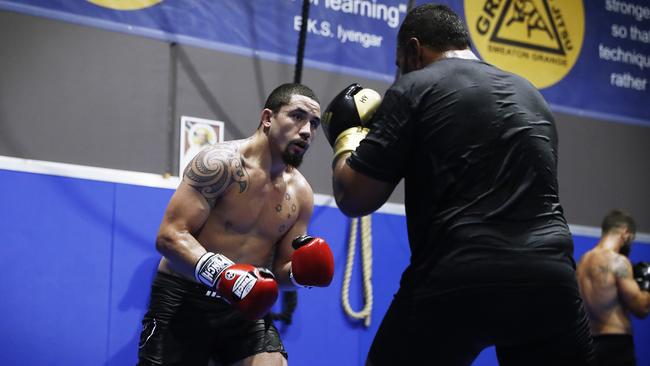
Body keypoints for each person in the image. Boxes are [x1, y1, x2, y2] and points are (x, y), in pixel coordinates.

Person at [322, 4, 594, 365]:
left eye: (398, 64)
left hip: (459, 275)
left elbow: (354, 196)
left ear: (414, 51)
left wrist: (348, 135)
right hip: (550, 280)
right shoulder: (532, 96)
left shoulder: (413, 87)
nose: (398, 74)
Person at [137, 83, 335, 366]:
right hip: (184, 299)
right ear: (268, 118)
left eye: (314, 123)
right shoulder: (219, 164)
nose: (307, 131)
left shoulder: (301, 194)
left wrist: (299, 275)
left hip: (244, 310)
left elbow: (280, 271)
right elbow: (169, 236)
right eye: (297, 116)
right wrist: (227, 275)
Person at [577, 210, 650, 366]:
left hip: (588, 347)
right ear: (625, 233)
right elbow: (641, 308)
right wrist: (647, 287)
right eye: (631, 239)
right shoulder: (618, 262)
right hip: (616, 346)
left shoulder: (581, 263)